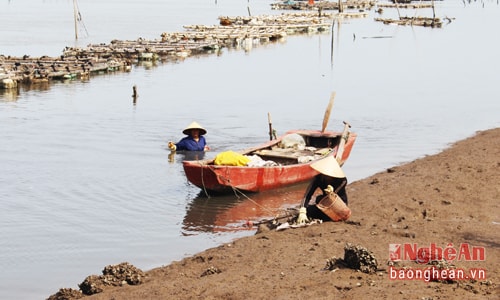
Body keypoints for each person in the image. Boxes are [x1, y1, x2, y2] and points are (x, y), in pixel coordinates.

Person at [299, 155, 348, 222]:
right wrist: (303, 210)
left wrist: (332, 192)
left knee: (320, 202)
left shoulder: (342, 180)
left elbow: (334, 197)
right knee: (312, 206)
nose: (328, 176)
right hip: (324, 203)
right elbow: (308, 195)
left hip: (339, 204)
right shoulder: (317, 179)